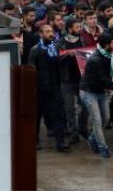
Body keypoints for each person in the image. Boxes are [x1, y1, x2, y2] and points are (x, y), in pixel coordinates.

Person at [80, 33, 113, 158]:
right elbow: (103, 78)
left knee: (106, 118)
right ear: (107, 45)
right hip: (89, 92)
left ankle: (93, 138)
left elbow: (108, 76)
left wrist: (110, 88)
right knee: (97, 120)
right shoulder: (96, 59)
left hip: (101, 91)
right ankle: (103, 147)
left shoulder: (109, 56)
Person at [28, 24, 69, 152]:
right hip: (40, 89)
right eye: (47, 32)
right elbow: (31, 68)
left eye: (51, 31)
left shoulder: (55, 48)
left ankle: (60, 141)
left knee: (58, 115)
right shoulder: (36, 50)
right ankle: (35, 141)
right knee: (36, 116)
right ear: (41, 34)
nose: (50, 34)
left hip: (54, 87)